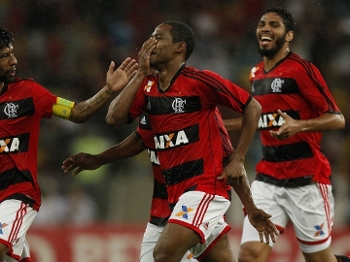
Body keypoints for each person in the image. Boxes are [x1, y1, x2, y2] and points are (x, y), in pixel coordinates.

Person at [105, 21, 278, 262]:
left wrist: (239, 159)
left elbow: (253, 107)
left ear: (179, 47)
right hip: (176, 199)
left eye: (158, 38)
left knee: (164, 254)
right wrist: (141, 73)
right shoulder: (148, 89)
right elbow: (114, 118)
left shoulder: (201, 82)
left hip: (205, 189)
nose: (149, 43)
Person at [0, 26, 138, 262]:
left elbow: (78, 112)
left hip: (16, 194)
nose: (14, 60)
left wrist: (108, 90)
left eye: (12, 53)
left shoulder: (29, 93)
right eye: (4, 56)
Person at [223, 7, 348, 262]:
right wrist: (220, 125)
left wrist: (299, 126)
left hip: (307, 180)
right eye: (261, 24)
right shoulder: (256, 73)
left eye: (274, 25)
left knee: (319, 259)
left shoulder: (301, 69)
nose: (265, 28)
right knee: (249, 255)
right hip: (268, 179)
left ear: (289, 35)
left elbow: (337, 119)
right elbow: (260, 121)